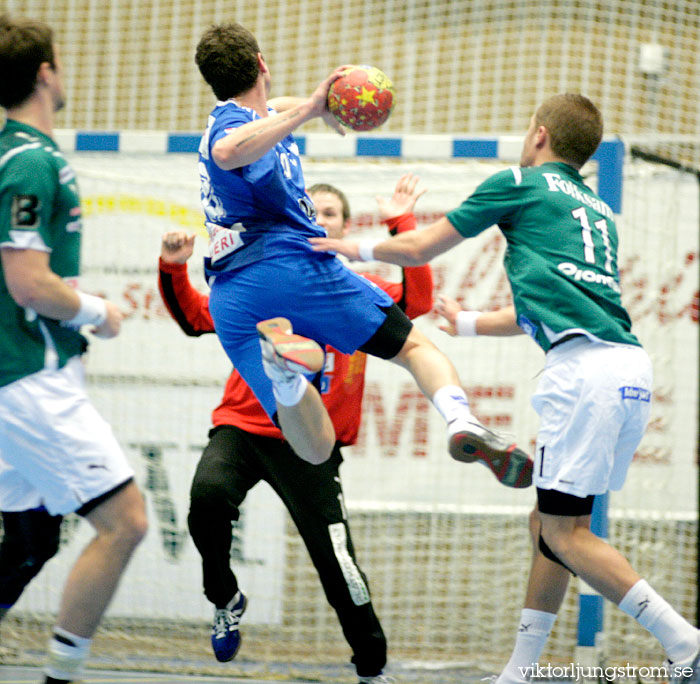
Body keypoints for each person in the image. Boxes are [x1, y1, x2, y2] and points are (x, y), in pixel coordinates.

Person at [311, 93, 700, 682]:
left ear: (538, 134)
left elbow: (422, 247)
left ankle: (684, 640)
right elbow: (539, 306)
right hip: (625, 369)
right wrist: (467, 322)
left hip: (585, 374)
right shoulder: (593, 209)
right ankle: (521, 670)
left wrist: (345, 246)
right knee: (547, 523)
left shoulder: (520, 181)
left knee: (564, 533)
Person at [193, 21, 533, 488]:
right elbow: (227, 151)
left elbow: (272, 111)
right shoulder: (235, 128)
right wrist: (312, 107)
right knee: (415, 348)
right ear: (261, 65)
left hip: (232, 298)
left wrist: (321, 106)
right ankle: (462, 422)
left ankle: (287, 374)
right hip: (292, 265)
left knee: (314, 449)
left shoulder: (257, 116)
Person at [157, 176, 432, 683]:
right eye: (314, 210)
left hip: (310, 449)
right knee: (208, 499)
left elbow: (416, 301)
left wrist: (401, 221)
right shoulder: (262, 282)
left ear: (345, 229)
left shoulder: (358, 297)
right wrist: (173, 268)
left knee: (338, 566)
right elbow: (196, 317)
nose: (321, 219)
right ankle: (225, 597)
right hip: (242, 429)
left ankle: (371, 669)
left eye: (332, 213)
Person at [0, 15, 148, 684]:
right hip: (29, 375)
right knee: (125, 521)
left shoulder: (21, 153)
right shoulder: (29, 159)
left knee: (29, 539)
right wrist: (100, 312)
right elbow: (27, 281)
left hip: (26, 373)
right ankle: (62, 678)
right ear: (45, 73)